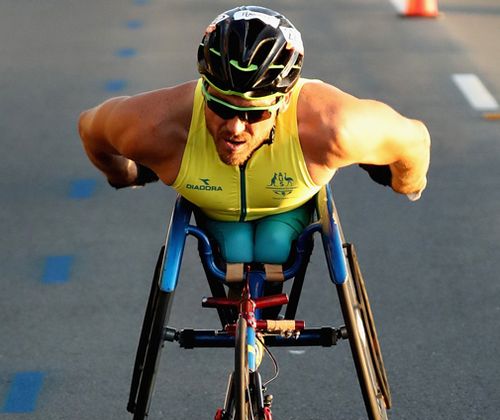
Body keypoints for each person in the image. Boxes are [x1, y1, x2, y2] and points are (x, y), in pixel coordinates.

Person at [78, 5, 430, 266]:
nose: (234, 127)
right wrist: (124, 173)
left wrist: (405, 182)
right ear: (204, 90)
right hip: (219, 212)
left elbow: (415, 139)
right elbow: (90, 128)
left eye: (253, 113)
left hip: (288, 204)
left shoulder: (335, 127)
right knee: (236, 250)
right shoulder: (152, 125)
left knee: (274, 245)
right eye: (221, 107)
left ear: (282, 103)